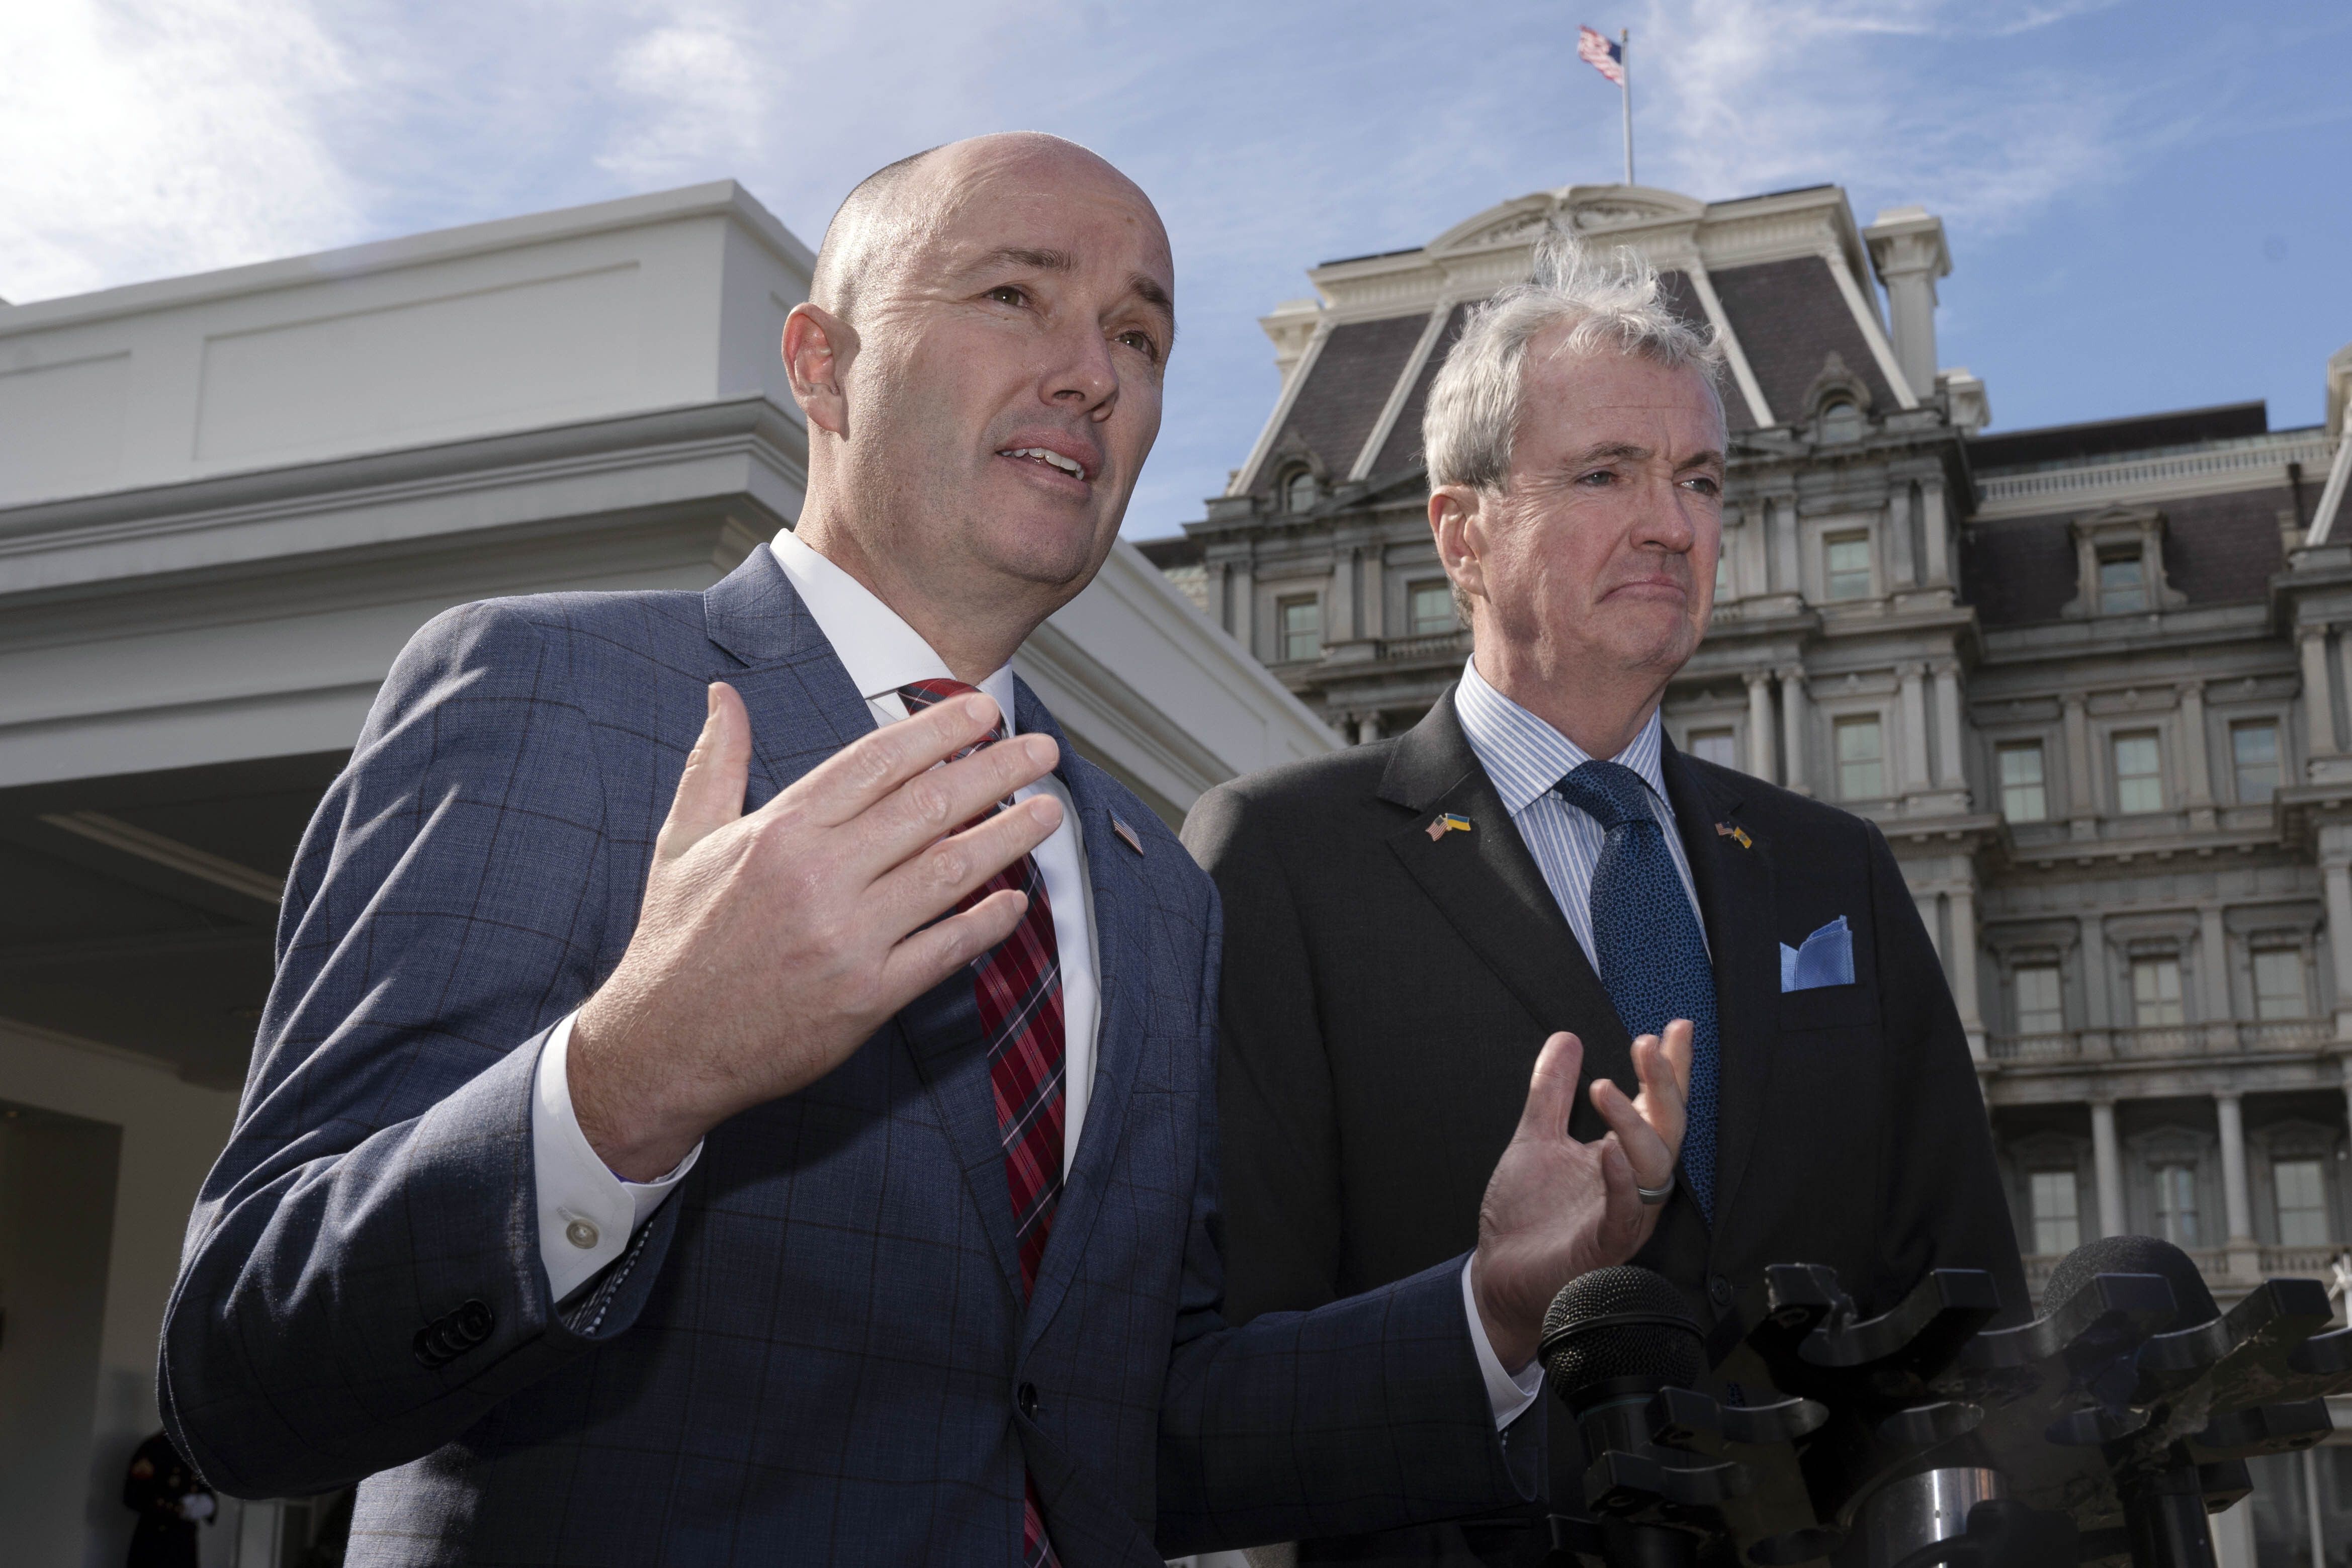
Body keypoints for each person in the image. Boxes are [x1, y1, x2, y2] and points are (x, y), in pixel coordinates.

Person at [159, 135, 1696, 1566]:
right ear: (820, 364)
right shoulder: (539, 692)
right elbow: (246, 1369)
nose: (1090, 372)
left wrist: (1489, 1315)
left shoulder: (1152, 887)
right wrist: (629, 1077)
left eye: (1139, 337)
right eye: (1014, 295)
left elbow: (1122, 1426)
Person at [1183, 237, 2027, 1565]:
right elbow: (1210, 1405)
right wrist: (1488, 1315)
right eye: (1604, 473)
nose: (1671, 521)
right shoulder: (1282, 861)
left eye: (1698, 479)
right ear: (1460, 533)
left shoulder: (1831, 869)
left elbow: (1970, 1313)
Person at [122, 1430, 214, 1568]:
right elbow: (132, 1496)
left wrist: (205, 1505)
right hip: (153, 1543)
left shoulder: (196, 1450)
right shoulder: (154, 1447)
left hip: (185, 1544)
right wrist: (175, 1507)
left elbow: (208, 1494)